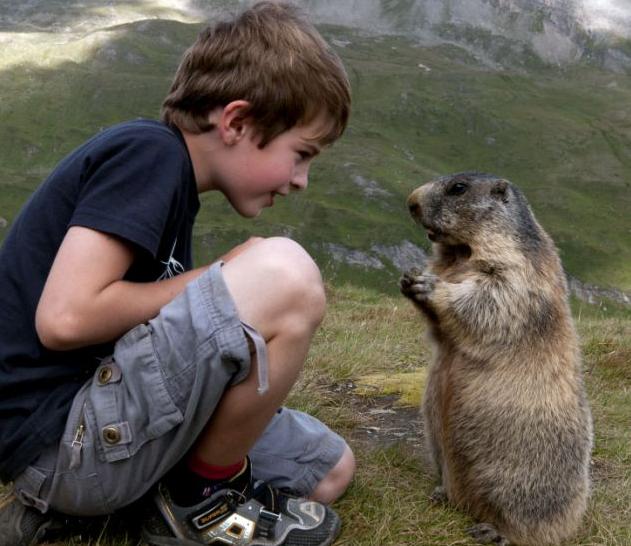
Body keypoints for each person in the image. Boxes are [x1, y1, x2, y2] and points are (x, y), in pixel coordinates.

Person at [0, 2, 355, 545]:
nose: (301, 179)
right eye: (301, 153)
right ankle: (199, 504)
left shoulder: (176, 191)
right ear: (236, 121)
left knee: (327, 468)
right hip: (61, 442)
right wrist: (221, 273)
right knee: (284, 271)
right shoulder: (149, 154)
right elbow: (65, 319)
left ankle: (108, 514)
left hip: (109, 428)